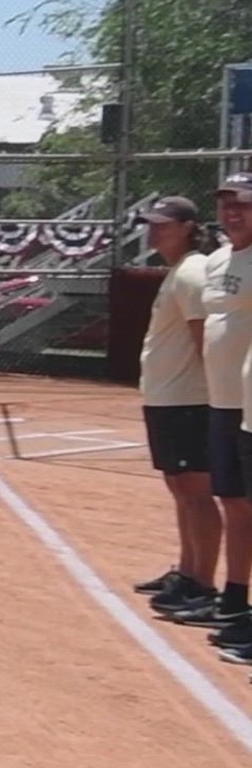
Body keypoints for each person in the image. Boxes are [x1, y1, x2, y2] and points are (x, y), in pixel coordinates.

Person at [156, 176, 252, 635]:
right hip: (224, 402)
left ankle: (231, 598)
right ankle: (232, 599)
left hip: (239, 402)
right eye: (227, 206)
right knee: (232, 500)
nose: (234, 213)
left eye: (244, 206)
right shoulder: (216, 262)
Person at [127, 198, 223, 614]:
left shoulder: (193, 272)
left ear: (187, 226)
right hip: (168, 398)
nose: (153, 231)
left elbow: (205, 338)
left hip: (189, 399)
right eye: (150, 224)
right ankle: (187, 572)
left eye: (163, 225)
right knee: (180, 489)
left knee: (195, 492)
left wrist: (216, 396)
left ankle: (202, 583)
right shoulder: (178, 272)